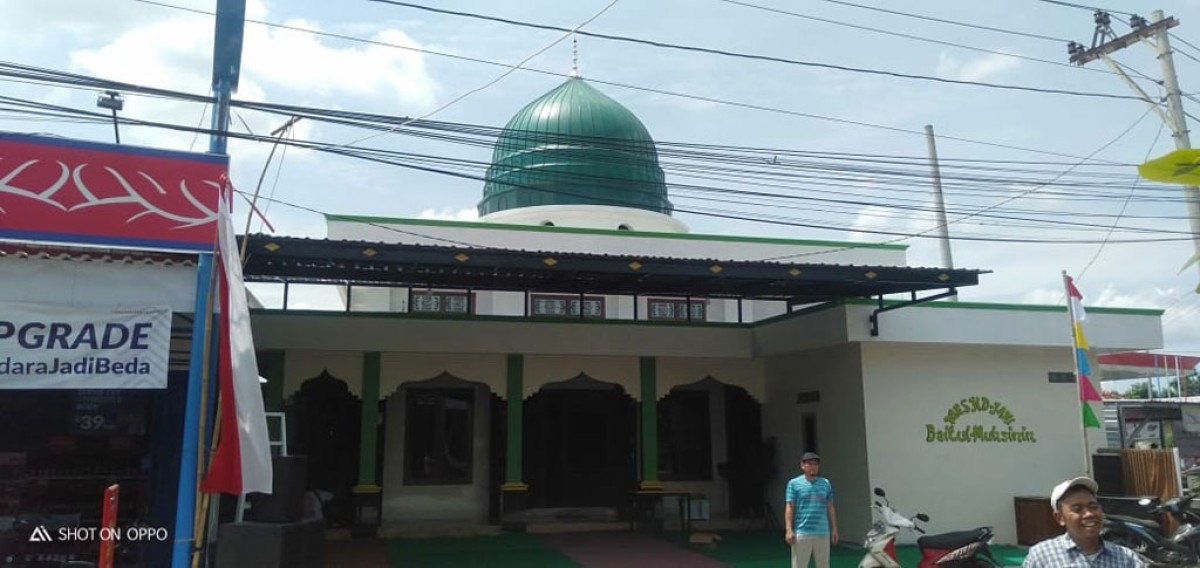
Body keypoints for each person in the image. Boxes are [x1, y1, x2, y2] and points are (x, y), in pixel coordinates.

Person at [1022, 476, 1144, 568]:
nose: (1089, 514)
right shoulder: (1042, 556)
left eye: (1093, 506)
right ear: (1060, 518)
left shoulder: (1126, 559)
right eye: (1077, 509)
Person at [784, 452, 838, 568]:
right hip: (802, 532)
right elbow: (790, 506)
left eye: (816, 464)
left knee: (823, 565)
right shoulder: (794, 484)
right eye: (810, 464)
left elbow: (830, 506)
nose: (813, 467)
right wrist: (789, 529)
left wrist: (834, 529)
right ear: (802, 466)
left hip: (822, 532)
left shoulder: (825, 484)